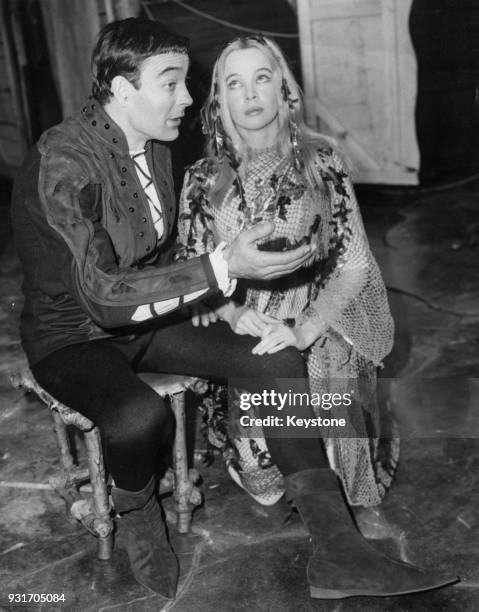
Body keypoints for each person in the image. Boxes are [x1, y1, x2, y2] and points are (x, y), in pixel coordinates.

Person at [9, 19, 319, 600]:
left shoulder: (156, 146)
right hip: (74, 335)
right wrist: (222, 269)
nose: (188, 98)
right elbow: (101, 293)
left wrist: (218, 304)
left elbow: (163, 251)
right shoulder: (62, 162)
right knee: (139, 417)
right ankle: (137, 513)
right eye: (172, 83)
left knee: (270, 355)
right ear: (123, 91)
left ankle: (329, 526)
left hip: (145, 321)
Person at [176, 35, 457, 598]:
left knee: (339, 438)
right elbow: (192, 274)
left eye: (262, 77)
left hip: (320, 315)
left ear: (284, 88)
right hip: (251, 336)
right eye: (235, 83)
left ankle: (345, 548)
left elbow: (354, 265)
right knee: (265, 484)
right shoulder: (201, 179)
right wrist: (232, 313)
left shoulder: (321, 158)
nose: (250, 93)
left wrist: (304, 328)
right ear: (219, 100)